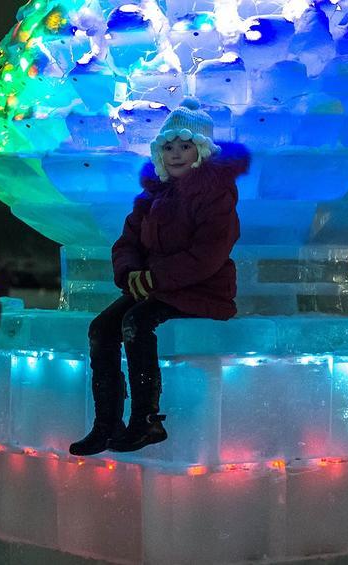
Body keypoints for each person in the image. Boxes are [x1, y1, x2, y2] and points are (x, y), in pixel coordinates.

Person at [69, 98, 249, 456]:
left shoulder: (216, 194)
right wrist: (131, 272)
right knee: (101, 328)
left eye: (185, 146)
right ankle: (107, 424)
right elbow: (128, 242)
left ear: (201, 151)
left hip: (202, 290)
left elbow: (209, 254)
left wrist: (154, 277)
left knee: (136, 323)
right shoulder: (151, 196)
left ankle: (146, 420)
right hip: (156, 287)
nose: (176, 154)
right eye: (168, 147)